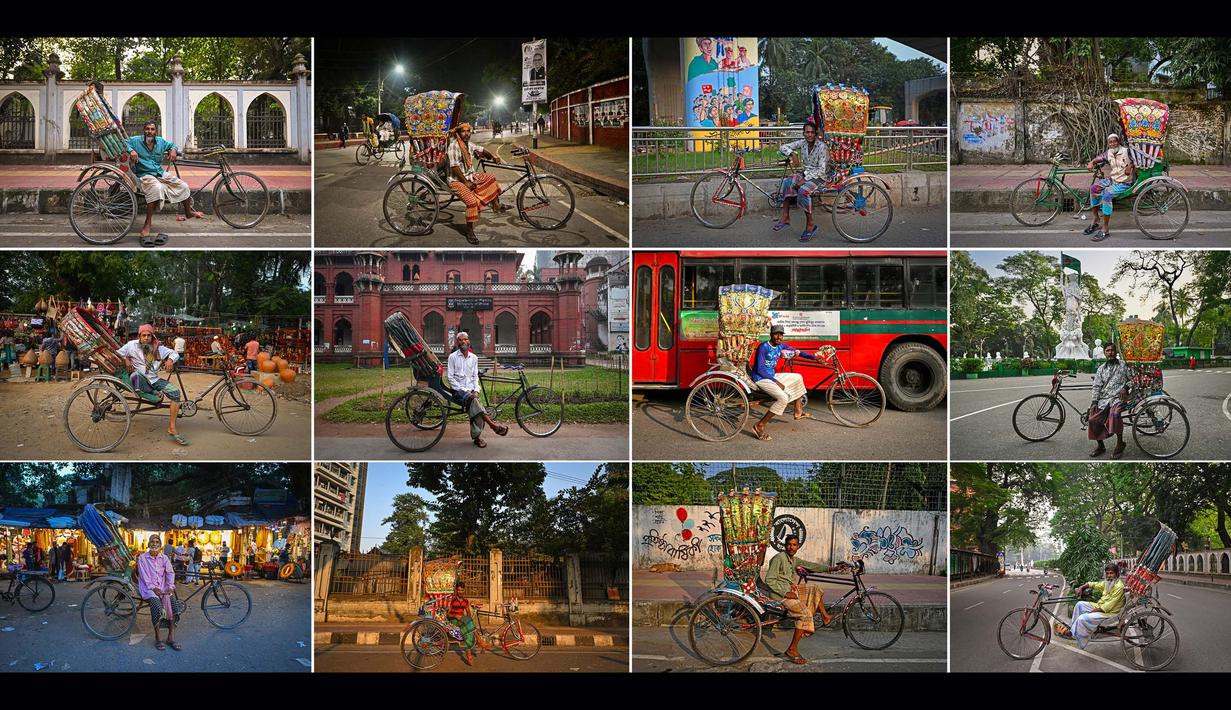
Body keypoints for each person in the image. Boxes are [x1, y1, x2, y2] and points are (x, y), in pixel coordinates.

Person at [764, 535, 847, 665]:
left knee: (814, 588)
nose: (791, 547)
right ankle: (792, 649)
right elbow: (769, 580)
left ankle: (826, 617)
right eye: (789, 544)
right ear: (785, 545)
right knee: (805, 614)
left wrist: (831, 569)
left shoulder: (794, 560)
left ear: (798, 546)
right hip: (780, 595)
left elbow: (811, 566)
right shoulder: (779, 558)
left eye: (794, 545)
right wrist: (785, 593)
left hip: (791, 591)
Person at [127, 120, 205, 243]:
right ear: (144, 130)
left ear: (155, 131)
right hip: (144, 174)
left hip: (160, 173)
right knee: (157, 188)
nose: (150, 132)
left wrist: (173, 150)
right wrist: (131, 150)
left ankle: (188, 212)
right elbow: (123, 143)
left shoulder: (161, 142)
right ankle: (147, 224)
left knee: (183, 185)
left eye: (152, 129)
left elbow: (173, 145)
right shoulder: (136, 140)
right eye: (147, 129)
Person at [116, 324, 186, 446]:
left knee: (175, 393)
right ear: (140, 336)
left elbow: (174, 353)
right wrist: (126, 360)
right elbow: (118, 353)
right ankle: (153, 393)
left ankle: (172, 427)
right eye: (144, 335)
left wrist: (170, 360)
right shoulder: (131, 345)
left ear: (152, 336)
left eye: (149, 335)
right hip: (140, 379)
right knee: (135, 376)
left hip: (155, 380)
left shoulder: (158, 348)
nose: (146, 338)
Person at [750, 324, 820, 441]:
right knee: (783, 398)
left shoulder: (780, 346)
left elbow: (798, 352)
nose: (779, 337)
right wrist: (776, 381)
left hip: (771, 377)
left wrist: (814, 358)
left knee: (797, 377)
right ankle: (760, 425)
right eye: (776, 334)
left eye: (781, 335)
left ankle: (798, 412)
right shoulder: (763, 347)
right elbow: (760, 369)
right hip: (761, 378)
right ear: (771, 335)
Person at [446, 123, 509, 244]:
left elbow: (481, 149)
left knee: (490, 178)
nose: (466, 133)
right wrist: (466, 182)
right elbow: (454, 167)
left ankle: (496, 206)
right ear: (458, 133)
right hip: (456, 180)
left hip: (470, 175)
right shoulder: (454, 146)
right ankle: (469, 231)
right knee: (471, 202)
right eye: (463, 131)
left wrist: (493, 157)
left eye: (468, 131)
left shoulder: (467, 144)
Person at [447, 331, 508, 447]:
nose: (463, 341)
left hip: (471, 391)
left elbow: (475, 376)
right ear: (457, 343)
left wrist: (476, 389)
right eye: (460, 340)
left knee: (475, 404)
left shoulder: (474, 358)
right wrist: (464, 390)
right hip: (458, 390)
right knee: (474, 402)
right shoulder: (452, 357)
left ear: (468, 341)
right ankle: (492, 426)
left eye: (465, 339)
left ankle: (478, 436)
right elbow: (450, 378)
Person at [774, 119, 830, 241]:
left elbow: (821, 169)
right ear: (803, 133)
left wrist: (804, 180)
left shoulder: (821, 147)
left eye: (811, 132)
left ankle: (810, 223)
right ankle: (785, 217)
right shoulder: (803, 143)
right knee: (789, 182)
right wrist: (793, 154)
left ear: (815, 133)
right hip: (805, 173)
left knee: (803, 190)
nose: (809, 135)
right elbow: (783, 147)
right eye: (806, 132)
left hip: (818, 177)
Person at [1083, 133, 1136, 242]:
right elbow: (1099, 158)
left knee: (1106, 196)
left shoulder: (1127, 151)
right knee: (1094, 188)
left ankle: (1105, 228)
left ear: (1118, 141)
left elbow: (1137, 160)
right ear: (1108, 144)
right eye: (1110, 142)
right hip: (1113, 180)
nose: (1113, 143)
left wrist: (1130, 166)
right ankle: (1096, 219)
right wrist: (1091, 162)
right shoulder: (1109, 153)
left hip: (1124, 183)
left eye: (1115, 141)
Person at [137, 534, 182, 651]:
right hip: (148, 589)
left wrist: (170, 586)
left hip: (163, 588)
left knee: (173, 604)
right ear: (148, 544)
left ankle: (171, 637)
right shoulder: (142, 558)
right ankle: (158, 637)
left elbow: (170, 573)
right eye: (152, 541)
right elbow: (144, 576)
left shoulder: (165, 558)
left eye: (157, 542)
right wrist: (153, 588)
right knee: (156, 605)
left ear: (160, 545)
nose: (155, 544)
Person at [1066, 563, 1125, 649]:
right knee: (1079, 605)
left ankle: (1081, 640)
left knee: (1083, 618)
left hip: (1109, 613)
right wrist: (1081, 587)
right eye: (1107, 573)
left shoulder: (1119, 586)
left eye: (1111, 573)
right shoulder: (1107, 583)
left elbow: (1108, 606)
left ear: (1116, 573)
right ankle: (1074, 631)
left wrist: (1093, 611)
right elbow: (1095, 584)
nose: (1109, 575)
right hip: (1100, 606)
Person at [1088, 342, 1128, 459]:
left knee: (1115, 415)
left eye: (1112, 350)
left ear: (1115, 352)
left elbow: (1133, 379)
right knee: (1092, 419)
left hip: (1118, 398)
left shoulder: (1123, 365)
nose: (1110, 352)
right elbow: (1096, 386)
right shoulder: (1101, 369)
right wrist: (1094, 401)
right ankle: (1101, 446)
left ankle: (1120, 444)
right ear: (1105, 353)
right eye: (1108, 351)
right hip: (1103, 399)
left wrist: (1125, 388)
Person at [445, 580, 490, 665]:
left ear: (464, 590)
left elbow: (468, 613)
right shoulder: (453, 599)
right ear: (456, 590)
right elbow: (448, 614)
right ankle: (479, 641)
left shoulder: (465, 601)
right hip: (453, 621)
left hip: (462, 621)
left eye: (462, 590)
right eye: (458, 590)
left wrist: (468, 619)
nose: (460, 592)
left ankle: (469, 655)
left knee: (468, 632)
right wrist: (455, 616)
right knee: (468, 624)